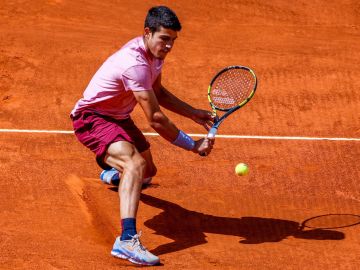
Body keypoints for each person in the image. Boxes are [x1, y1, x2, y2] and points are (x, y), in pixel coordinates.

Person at [70, 6, 214, 266]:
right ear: (148, 32)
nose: (169, 45)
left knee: (147, 171)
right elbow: (156, 119)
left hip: (118, 117)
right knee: (134, 164)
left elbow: (157, 91)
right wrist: (193, 145)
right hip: (92, 118)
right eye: (164, 39)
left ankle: (113, 172)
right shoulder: (134, 63)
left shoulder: (154, 54)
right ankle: (126, 241)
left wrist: (193, 113)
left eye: (173, 40)